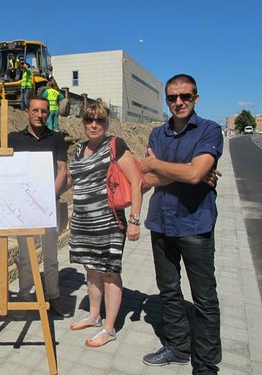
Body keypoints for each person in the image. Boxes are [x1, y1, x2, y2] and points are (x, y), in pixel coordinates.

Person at [140, 74, 223, 374]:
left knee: (204, 299)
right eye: (173, 98)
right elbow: (147, 179)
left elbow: (190, 175)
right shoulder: (157, 134)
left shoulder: (210, 131)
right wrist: (192, 170)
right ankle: (177, 347)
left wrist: (158, 165)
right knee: (169, 290)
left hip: (195, 225)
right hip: (161, 223)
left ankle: (205, 366)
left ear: (195, 98)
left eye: (185, 97)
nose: (179, 102)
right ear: (166, 100)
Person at [67, 100, 143, 348]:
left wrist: (134, 220)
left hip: (110, 223)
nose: (94, 124)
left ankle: (109, 329)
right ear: (83, 123)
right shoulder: (79, 149)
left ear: (107, 123)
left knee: (110, 274)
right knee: (91, 270)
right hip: (84, 222)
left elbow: (136, 182)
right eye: (89, 119)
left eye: (99, 120)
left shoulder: (115, 145)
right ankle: (93, 316)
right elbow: (72, 180)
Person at [0, 96, 70, 318]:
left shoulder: (56, 139)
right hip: (23, 209)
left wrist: (49, 198)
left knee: (50, 256)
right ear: (27, 112)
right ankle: (25, 296)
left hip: (48, 206)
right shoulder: (12, 139)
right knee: (25, 255)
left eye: (44, 111)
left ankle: (53, 296)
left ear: (48, 114)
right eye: (35, 110)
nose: (40, 115)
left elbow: (62, 171)